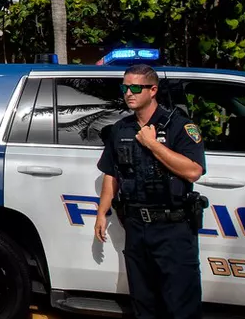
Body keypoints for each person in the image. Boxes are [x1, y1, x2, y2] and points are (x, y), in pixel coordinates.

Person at [95, 64, 207, 319]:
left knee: (181, 304)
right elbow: (111, 173)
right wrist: (103, 213)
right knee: (143, 303)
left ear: (153, 90)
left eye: (135, 87)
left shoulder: (179, 126)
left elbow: (193, 171)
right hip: (136, 227)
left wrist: (152, 144)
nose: (128, 93)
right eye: (125, 87)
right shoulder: (121, 129)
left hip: (173, 228)